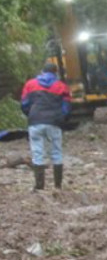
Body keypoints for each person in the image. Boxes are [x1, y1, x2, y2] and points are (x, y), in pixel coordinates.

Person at [21, 62, 71, 190]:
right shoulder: (62, 86)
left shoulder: (30, 84)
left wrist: (31, 114)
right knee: (56, 152)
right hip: (54, 122)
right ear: (55, 73)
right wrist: (61, 118)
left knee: (37, 153)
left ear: (42, 72)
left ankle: (39, 186)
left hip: (35, 121)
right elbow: (66, 107)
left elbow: (24, 104)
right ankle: (58, 186)